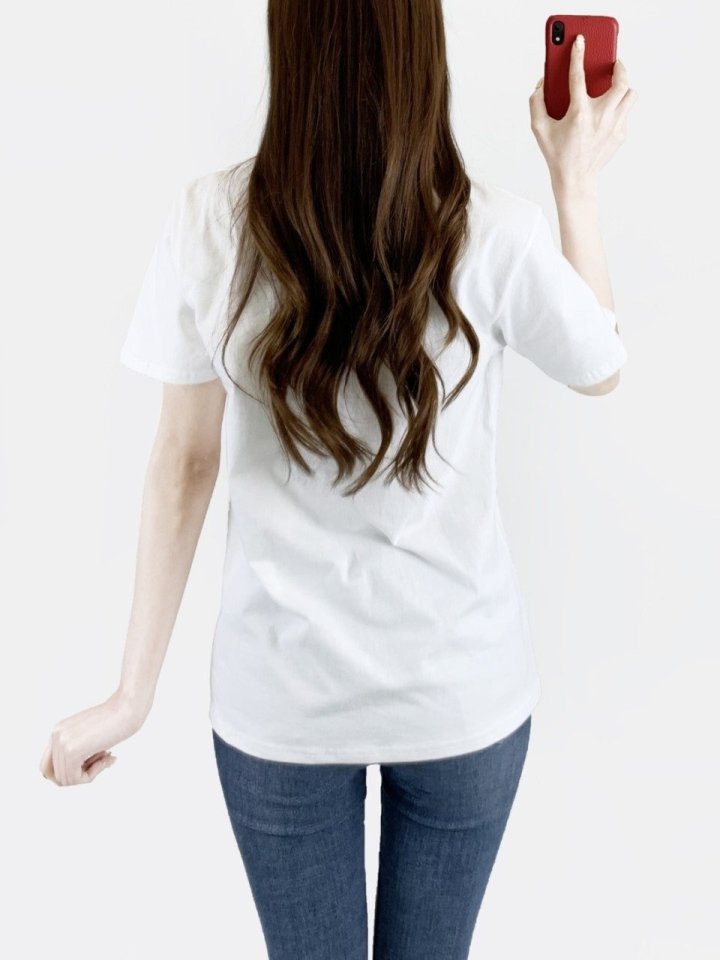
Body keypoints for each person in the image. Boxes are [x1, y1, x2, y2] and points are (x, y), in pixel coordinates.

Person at [39, 3, 637, 958]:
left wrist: (131, 694)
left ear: (291, 45)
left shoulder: (211, 221)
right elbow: (599, 363)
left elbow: (183, 465)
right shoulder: (492, 229)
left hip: (280, 706)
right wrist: (577, 183)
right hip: (460, 697)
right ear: (422, 53)